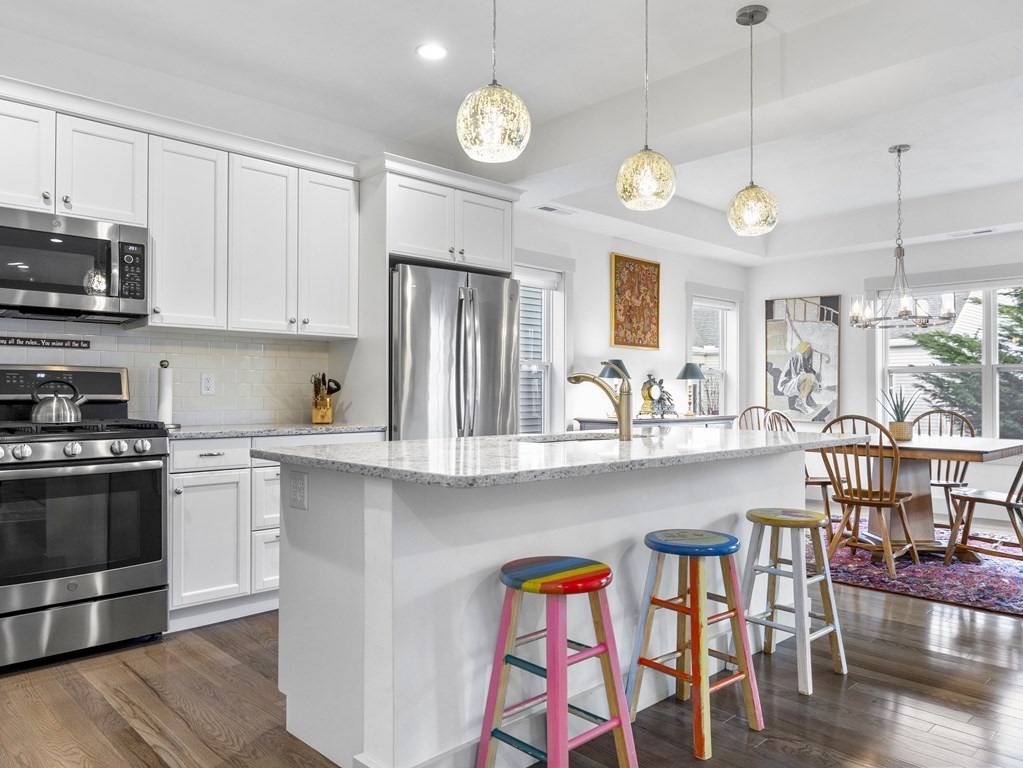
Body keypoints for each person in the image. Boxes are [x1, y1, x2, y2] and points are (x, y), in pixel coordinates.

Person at [778, 340, 821, 415]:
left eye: (810, 351)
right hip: (787, 383)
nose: (809, 353)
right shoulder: (797, 355)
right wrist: (814, 382)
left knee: (813, 377)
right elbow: (797, 374)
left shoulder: (804, 360)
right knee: (810, 377)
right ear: (803, 348)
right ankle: (800, 402)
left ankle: (805, 400)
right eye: (808, 350)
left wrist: (815, 383)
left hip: (794, 381)